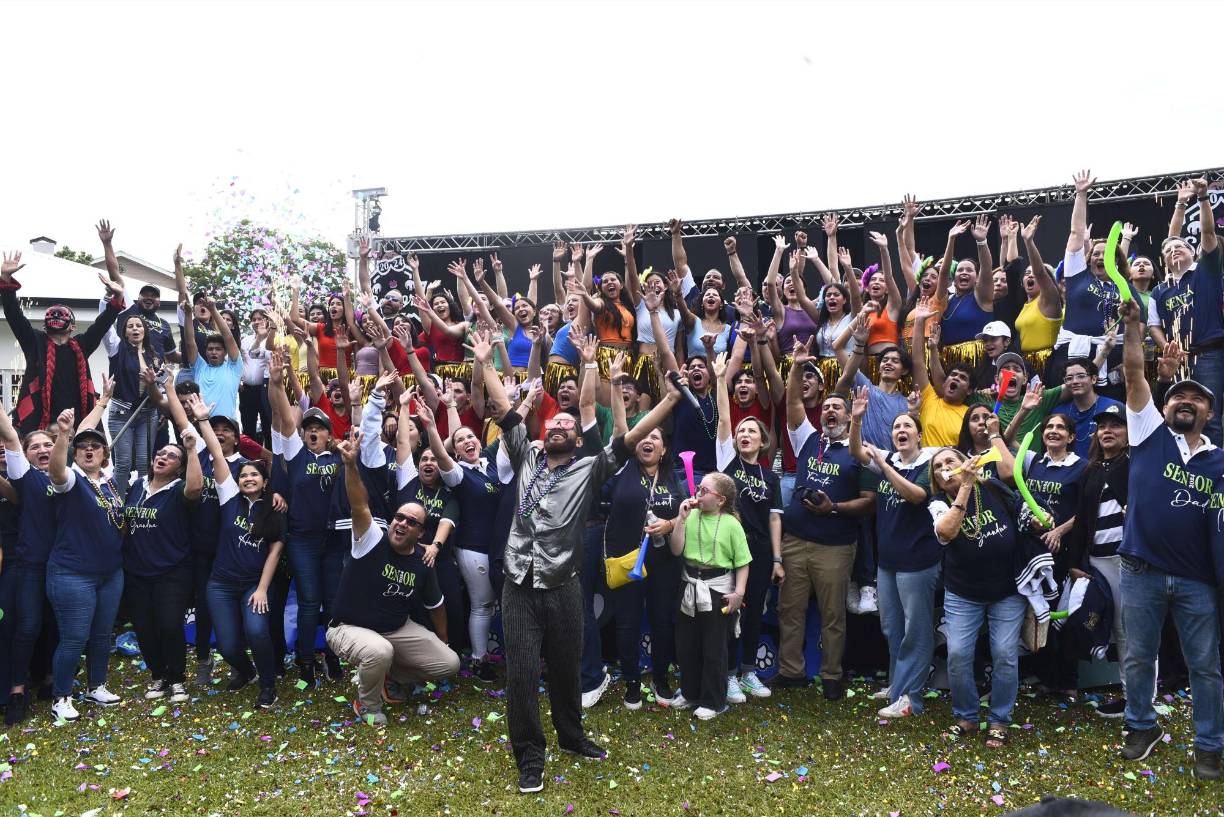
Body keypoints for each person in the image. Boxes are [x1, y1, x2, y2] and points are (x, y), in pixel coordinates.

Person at [477, 331, 680, 795]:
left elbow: (630, 438)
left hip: (564, 581)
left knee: (567, 666)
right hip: (518, 581)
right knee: (524, 673)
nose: (558, 428)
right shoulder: (525, 453)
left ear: (576, 437)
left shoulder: (592, 467)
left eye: (567, 426)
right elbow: (506, 410)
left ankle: (571, 736)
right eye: (553, 425)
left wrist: (668, 400)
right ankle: (530, 756)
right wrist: (487, 361)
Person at [1114, 295, 1222, 780]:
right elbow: (1135, 373)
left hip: (1198, 579)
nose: (1186, 401)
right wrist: (1134, 329)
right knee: (1139, 657)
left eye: (1196, 398)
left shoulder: (1220, 462)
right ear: (1165, 405)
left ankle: (1209, 745)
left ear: (1209, 412)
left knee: (1205, 667)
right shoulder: (1148, 432)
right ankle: (1141, 725)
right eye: (1178, 395)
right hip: (1141, 570)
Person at [326, 433, 460, 728]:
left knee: (450, 663)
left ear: (421, 533)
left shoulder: (422, 562)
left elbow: (436, 605)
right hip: (348, 628)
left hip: (394, 630)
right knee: (378, 651)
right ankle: (368, 703)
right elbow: (359, 505)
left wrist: (444, 640)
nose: (402, 523)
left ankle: (386, 674)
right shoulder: (371, 539)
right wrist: (350, 466)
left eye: (412, 522)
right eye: (400, 517)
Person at [774, 339, 875, 698]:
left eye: (837, 407)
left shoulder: (858, 452)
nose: (830, 410)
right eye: (827, 406)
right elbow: (793, 404)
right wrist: (798, 365)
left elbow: (869, 503)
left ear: (848, 417)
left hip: (835, 546)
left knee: (833, 616)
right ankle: (791, 671)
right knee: (790, 610)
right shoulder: (808, 439)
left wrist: (833, 507)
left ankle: (832, 676)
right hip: (796, 540)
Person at [929, 447, 1044, 749]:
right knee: (958, 655)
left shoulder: (992, 487)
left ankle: (999, 720)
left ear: (966, 463)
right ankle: (966, 716)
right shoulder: (938, 503)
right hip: (963, 594)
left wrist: (1036, 520)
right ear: (937, 481)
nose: (945, 467)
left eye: (950, 460)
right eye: (938, 466)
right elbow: (946, 532)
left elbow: (1024, 512)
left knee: (1005, 654)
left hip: (1007, 590)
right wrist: (965, 487)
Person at [848, 387, 940, 719]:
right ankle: (897, 685)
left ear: (918, 434)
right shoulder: (888, 460)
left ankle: (912, 698)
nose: (900, 431)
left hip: (917, 561)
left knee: (916, 630)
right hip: (888, 562)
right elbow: (856, 450)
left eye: (906, 427)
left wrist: (886, 467)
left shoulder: (930, 463)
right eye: (896, 428)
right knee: (892, 627)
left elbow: (916, 496)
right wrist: (856, 419)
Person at [122, 383, 204, 705]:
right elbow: (125, 524)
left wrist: (192, 449)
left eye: (171, 456)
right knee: (144, 627)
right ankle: (158, 675)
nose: (163, 457)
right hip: (137, 571)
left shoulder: (181, 489)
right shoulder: (136, 486)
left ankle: (177, 679)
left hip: (172, 571)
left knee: (170, 625)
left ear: (179, 467)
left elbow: (197, 489)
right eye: (161, 453)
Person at [46, 405, 126, 721]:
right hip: (72, 573)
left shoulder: (109, 481)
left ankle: (97, 685)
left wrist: (104, 399)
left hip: (110, 573)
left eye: (95, 446)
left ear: (104, 453)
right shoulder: (71, 480)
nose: (88, 450)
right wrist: (64, 435)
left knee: (102, 633)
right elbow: (55, 471)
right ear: (75, 454)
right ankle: (61, 696)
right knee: (74, 636)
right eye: (83, 447)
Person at [713, 354, 783, 702]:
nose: (744, 434)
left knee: (754, 610)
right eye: (741, 431)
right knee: (730, 610)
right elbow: (725, 418)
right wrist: (720, 378)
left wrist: (778, 558)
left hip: (759, 549)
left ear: (763, 440)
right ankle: (726, 675)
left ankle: (748, 673)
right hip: (728, 548)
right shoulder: (727, 463)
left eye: (751, 431)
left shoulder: (770, 477)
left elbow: (773, 517)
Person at [268, 351, 340, 685]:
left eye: (319, 429)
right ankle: (306, 662)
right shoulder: (296, 455)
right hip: (303, 540)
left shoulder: (340, 459)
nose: (312, 433)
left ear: (328, 435)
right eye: (308, 428)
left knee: (333, 602)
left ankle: (335, 657)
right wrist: (278, 383)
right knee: (310, 601)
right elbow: (284, 416)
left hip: (334, 540)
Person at [1, 250, 125, 436]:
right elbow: (14, 316)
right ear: (44, 324)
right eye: (53, 314)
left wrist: (117, 299)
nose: (57, 316)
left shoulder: (82, 344)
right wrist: (5, 279)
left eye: (62, 314)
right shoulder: (35, 342)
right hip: (39, 425)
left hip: (77, 424)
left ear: (73, 326)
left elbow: (102, 324)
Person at [1062, 403, 1130, 719]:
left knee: (1129, 631)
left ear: (1129, 432)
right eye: (1103, 426)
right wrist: (1077, 562)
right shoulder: (1091, 469)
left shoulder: (1135, 464)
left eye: (1116, 425)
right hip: (1096, 563)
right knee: (1105, 626)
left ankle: (1136, 699)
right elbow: (1082, 521)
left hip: (1128, 562)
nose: (1108, 431)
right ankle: (1129, 694)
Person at [207, 447, 286, 709]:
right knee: (227, 646)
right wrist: (204, 421)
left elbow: (275, 551)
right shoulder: (229, 498)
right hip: (221, 584)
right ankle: (247, 671)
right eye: (243, 475)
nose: (248, 478)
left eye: (254, 474)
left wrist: (262, 589)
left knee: (256, 631)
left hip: (255, 584)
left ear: (265, 482)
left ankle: (268, 687)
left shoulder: (275, 508)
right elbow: (218, 457)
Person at [668, 471, 750, 720]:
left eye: (704, 491)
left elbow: (743, 563)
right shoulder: (690, 516)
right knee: (687, 644)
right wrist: (680, 520)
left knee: (714, 647)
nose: (698, 495)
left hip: (718, 589)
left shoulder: (732, 524)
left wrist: (738, 593)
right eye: (698, 490)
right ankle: (690, 692)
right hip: (689, 585)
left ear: (721, 500)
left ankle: (714, 701)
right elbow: (675, 550)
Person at [0, 398, 61, 725]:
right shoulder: (25, 477)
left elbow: (77, 435)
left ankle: (50, 679)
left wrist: (105, 401)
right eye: (34, 446)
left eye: (48, 444)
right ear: (24, 455)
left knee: (55, 626)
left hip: (65, 568)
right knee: (26, 626)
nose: (42, 449)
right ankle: (17, 691)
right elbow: (10, 436)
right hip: (30, 566)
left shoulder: (70, 478)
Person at [1149, 178, 1222, 444]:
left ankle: (1213, 473)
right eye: (1168, 250)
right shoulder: (1159, 290)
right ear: (1165, 261)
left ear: (1193, 253)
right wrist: (1168, 345)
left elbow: (1209, 236)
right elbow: (1154, 326)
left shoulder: (1206, 272)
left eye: (1180, 246)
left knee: (1209, 416)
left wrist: (1203, 199)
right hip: (1178, 360)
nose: (1174, 249)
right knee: (1178, 418)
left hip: (1209, 355)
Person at [103, 312, 163, 493]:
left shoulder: (154, 353)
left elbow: (160, 386)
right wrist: (108, 303)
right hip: (121, 414)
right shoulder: (117, 348)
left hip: (147, 414)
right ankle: (118, 505)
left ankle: (141, 503)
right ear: (125, 332)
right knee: (124, 463)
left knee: (145, 463)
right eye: (131, 326)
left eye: (139, 325)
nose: (135, 328)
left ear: (145, 330)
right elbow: (105, 326)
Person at [910, 300, 973, 447]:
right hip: (926, 466)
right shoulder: (928, 399)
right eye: (953, 375)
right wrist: (919, 322)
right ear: (944, 383)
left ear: (969, 390)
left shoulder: (970, 414)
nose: (956, 378)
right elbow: (918, 362)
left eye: (962, 378)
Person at [182, 294, 243, 422]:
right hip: (203, 424)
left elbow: (228, 338)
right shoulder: (200, 367)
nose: (213, 352)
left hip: (227, 426)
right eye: (210, 349)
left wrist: (213, 310)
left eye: (218, 349)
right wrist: (188, 315)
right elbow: (189, 342)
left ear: (225, 352)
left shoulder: (233, 367)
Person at [1048, 358, 1123, 457]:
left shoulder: (1112, 408)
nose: (1075, 381)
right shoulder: (1059, 413)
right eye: (1069, 378)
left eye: (1081, 376)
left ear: (1094, 379)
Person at [239, 307, 274, 448]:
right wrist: (238, 381)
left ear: (267, 320)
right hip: (247, 390)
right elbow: (241, 360)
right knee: (248, 425)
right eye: (254, 319)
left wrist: (264, 336)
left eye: (260, 318)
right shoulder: (245, 340)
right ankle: (248, 459)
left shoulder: (274, 337)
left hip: (266, 389)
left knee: (268, 425)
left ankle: (270, 459)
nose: (257, 322)